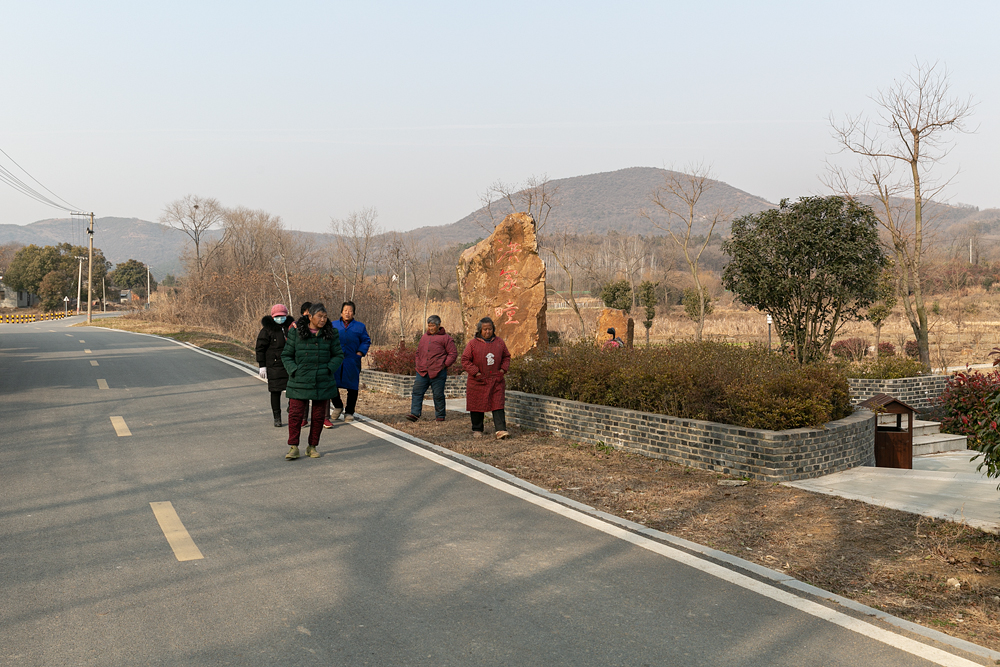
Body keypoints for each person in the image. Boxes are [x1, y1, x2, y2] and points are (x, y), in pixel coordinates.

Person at [280, 303, 344, 460]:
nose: (322, 320)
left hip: (322, 380)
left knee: (318, 416)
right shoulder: (296, 332)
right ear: (310, 317)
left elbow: (338, 355)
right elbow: (286, 355)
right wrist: (294, 370)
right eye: (319, 316)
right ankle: (293, 447)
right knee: (295, 414)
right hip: (299, 380)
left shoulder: (331, 333)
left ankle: (312, 446)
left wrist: (328, 369)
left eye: (325, 317)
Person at [461, 316, 511, 439]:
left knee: (497, 404)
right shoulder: (472, 344)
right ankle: (477, 429)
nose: (487, 332)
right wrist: (476, 372)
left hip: (496, 379)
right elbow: (465, 360)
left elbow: (506, 357)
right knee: (476, 405)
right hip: (478, 380)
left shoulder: (499, 342)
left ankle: (500, 430)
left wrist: (502, 370)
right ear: (480, 330)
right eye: (485, 329)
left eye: (490, 329)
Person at [326, 300, 371, 426]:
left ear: (353, 313)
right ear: (341, 312)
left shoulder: (360, 327)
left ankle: (349, 411)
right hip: (336, 359)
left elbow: (366, 341)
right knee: (332, 384)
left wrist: (360, 353)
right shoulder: (333, 325)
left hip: (352, 360)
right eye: (345, 310)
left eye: (350, 310)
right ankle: (338, 406)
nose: (347, 313)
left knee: (352, 387)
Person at [406, 315, 457, 422]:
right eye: (429, 326)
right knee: (417, 392)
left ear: (439, 325)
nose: (431, 328)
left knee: (438, 395)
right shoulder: (424, 337)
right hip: (422, 371)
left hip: (438, 372)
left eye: (433, 326)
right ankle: (415, 413)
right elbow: (418, 352)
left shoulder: (446, 338)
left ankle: (440, 416)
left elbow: (453, 354)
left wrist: (444, 365)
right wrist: (418, 363)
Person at [255, 303, 292, 427]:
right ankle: (277, 417)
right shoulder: (267, 330)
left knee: (293, 390)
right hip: (274, 365)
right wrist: (262, 365)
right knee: (275, 392)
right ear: (272, 317)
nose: (280, 318)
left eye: (282, 316)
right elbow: (260, 348)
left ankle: (291, 409)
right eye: (277, 316)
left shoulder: (291, 328)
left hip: (290, 365)